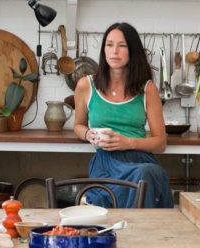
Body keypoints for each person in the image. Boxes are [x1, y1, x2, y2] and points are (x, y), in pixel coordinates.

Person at [72, 22, 174, 208]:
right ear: (104, 50)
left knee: (147, 174)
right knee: (144, 177)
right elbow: (78, 125)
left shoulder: (148, 89)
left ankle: (139, 231)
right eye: (109, 45)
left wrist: (127, 142)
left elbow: (160, 143)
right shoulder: (85, 86)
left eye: (122, 46)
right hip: (105, 162)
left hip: (139, 159)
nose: (114, 51)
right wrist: (88, 134)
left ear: (133, 51)